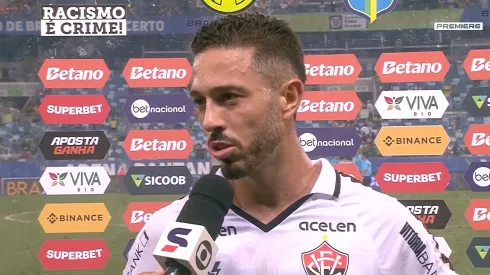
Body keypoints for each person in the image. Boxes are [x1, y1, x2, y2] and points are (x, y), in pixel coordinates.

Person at [124, 13, 457, 275]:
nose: (210, 120)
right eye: (200, 101)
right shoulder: (166, 229)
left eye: (229, 98)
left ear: (288, 97)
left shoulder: (382, 224)